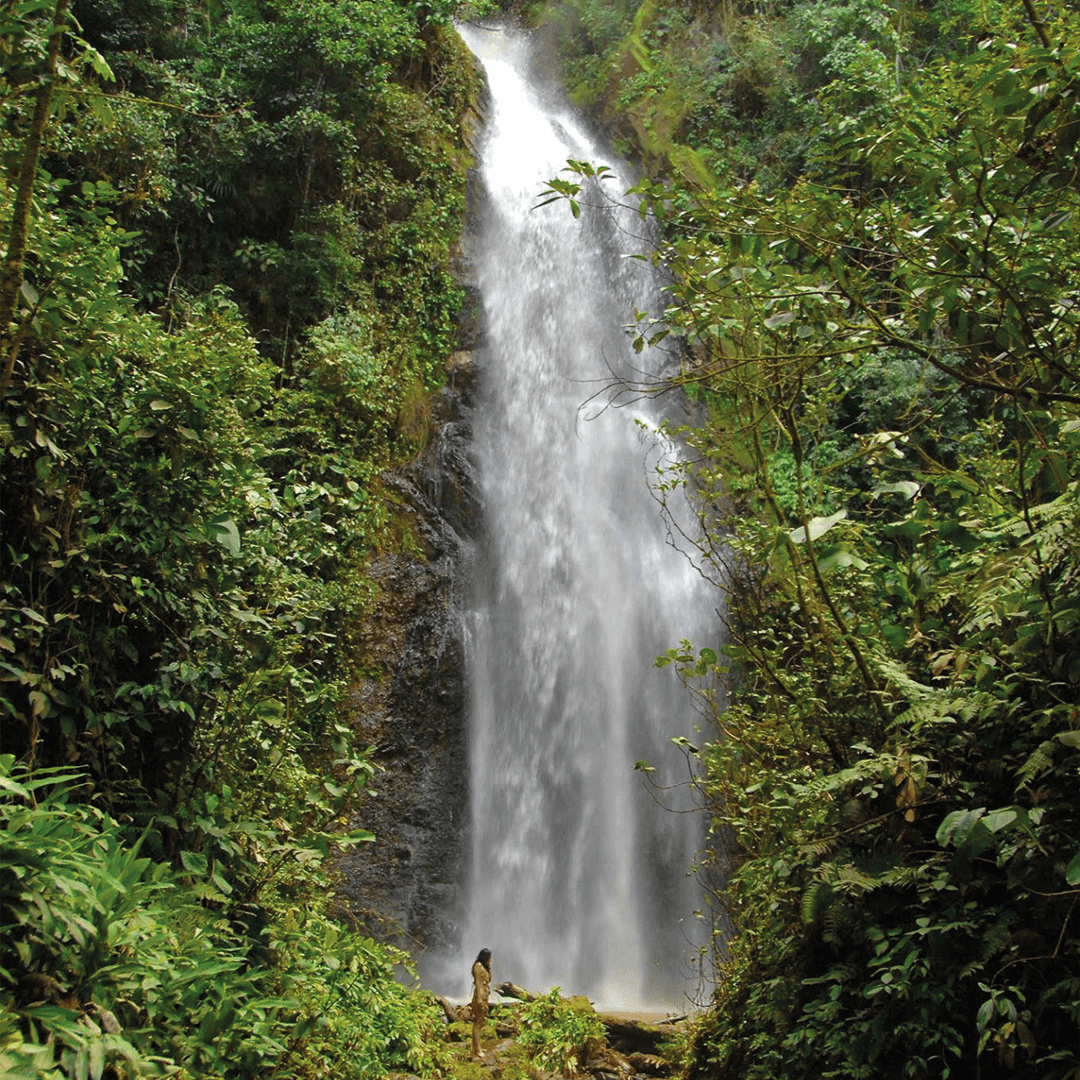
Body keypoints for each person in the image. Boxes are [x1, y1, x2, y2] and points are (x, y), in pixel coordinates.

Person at [470, 948, 492, 1060]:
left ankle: (477, 1047)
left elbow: (488, 980)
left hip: (485, 997)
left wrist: (489, 967)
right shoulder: (478, 966)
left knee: (480, 1022)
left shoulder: (484, 967)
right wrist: (479, 999)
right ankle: (477, 1050)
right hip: (480, 997)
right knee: (477, 1023)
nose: (491, 960)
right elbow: (478, 983)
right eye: (489, 958)